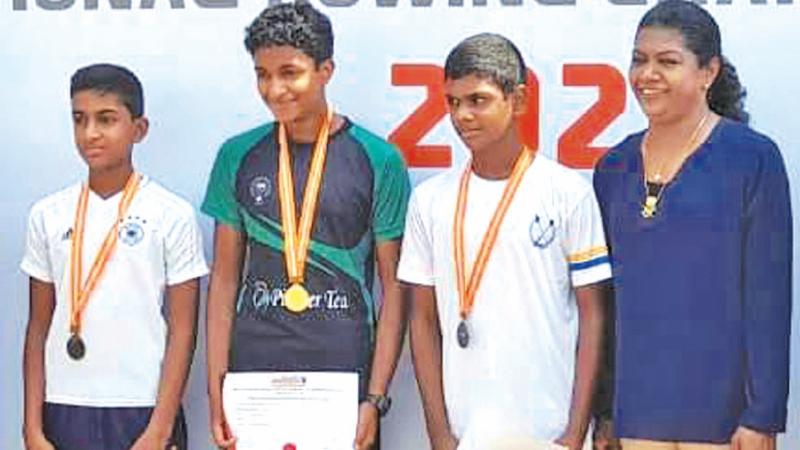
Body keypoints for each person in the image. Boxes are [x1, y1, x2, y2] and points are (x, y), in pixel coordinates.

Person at [201, 3, 411, 449]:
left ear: (325, 70)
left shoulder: (379, 159)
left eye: (289, 72)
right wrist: (216, 389)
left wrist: (375, 399)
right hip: (254, 383)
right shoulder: (237, 156)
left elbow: (395, 289)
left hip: (343, 381)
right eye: (262, 74)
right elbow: (222, 280)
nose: (274, 89)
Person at [593, 1, 792, 449]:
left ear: (708, 72)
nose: (647, 74)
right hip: (637, 412)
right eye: (639, 59)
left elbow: (769, 299)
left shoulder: (752, 159)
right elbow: (606, 305)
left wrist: (763, 416)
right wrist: (604, 410)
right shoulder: (613, 168)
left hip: (722, 417)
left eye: (667, 62)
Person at [398, 33, 611, 450]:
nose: (462, 116)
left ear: (518, 101)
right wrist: (439, 433)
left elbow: (594, 315)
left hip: (548, 430)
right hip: (466, 433)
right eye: (453, 102)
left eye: (477, 100)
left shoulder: (568, 192)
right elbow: (421, 320)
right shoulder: (430, 201)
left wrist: (574, 432)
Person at [20, 63, 208, 450]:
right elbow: (38, 326)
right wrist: (32, 427)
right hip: (64, 405)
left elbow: (184, 330)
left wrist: (160, 429)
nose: (90, 133)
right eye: (79, 119)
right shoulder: (48, 214)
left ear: (139, 129)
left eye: (106, 120)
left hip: (142, 406)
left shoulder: (171, 215)